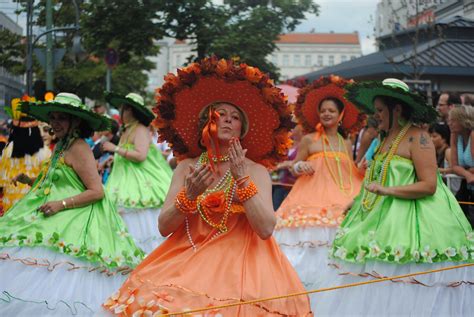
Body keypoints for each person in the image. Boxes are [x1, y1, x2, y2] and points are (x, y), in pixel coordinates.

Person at [102, 57, 312, 316]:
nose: (227, 120)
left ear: (241, 129)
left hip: (242, 266)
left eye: (235, 117)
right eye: (220, 114)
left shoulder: (256, 170)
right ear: (206, 123)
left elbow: (266, 228)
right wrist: (188, 196)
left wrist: (243, 182)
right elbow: (165, 227)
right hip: (185, 258)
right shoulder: (186, 166)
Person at [312, 79, 474, 315]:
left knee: (403, 278)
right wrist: (356, 201)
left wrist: (388, 191)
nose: (376, 116)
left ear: (396, 108)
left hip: (415, 222)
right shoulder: (383, 138)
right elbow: (376, 179)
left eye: (379, 110)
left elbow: (429, 185)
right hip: (375, 217)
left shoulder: (419, 138)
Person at [0, 93, 144, 315]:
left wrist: (62, 204)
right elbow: (56, 181)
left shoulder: (78, 147)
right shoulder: (62, 145)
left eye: (61, 118)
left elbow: (97, 191)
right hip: (49, 214)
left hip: (76, 220)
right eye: (53, 118)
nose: (55, 123)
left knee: (61, 286)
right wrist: (29, 180)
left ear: (76, 121)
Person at [274, 76, 365, 286]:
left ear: (340, 115)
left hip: (342, 197)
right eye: (323, 110)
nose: (326, 114)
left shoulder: (346, 141)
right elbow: (295, 165)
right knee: (307, 244)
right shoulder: (308, 139)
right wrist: (300, 166)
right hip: (310, 195)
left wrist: (360, 169)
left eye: (331, 111)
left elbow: (348, 169)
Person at [102, 92, 173, 253]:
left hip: (140, 181)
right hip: (122, 178)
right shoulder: (127, 130)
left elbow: (141, 155)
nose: (122, 112)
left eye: (125, 109)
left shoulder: (140, 129)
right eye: (122, 109)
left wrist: (115, 149)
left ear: (133, 111)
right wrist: (113, 159)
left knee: (140, 214)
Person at [0, 97, 50, 213]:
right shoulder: (45, 152)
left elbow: (1, 181)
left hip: (11, 209)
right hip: (34, 207)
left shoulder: (8, 150)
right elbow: (48, 182)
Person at [449, 105, 474, 225]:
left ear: (464, 120)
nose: (449, 123)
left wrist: (466, 171)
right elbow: (454, 166)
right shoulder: (454, 135)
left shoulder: (473, 135)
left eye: (453, 120)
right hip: (468, 186)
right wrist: (467, 173)